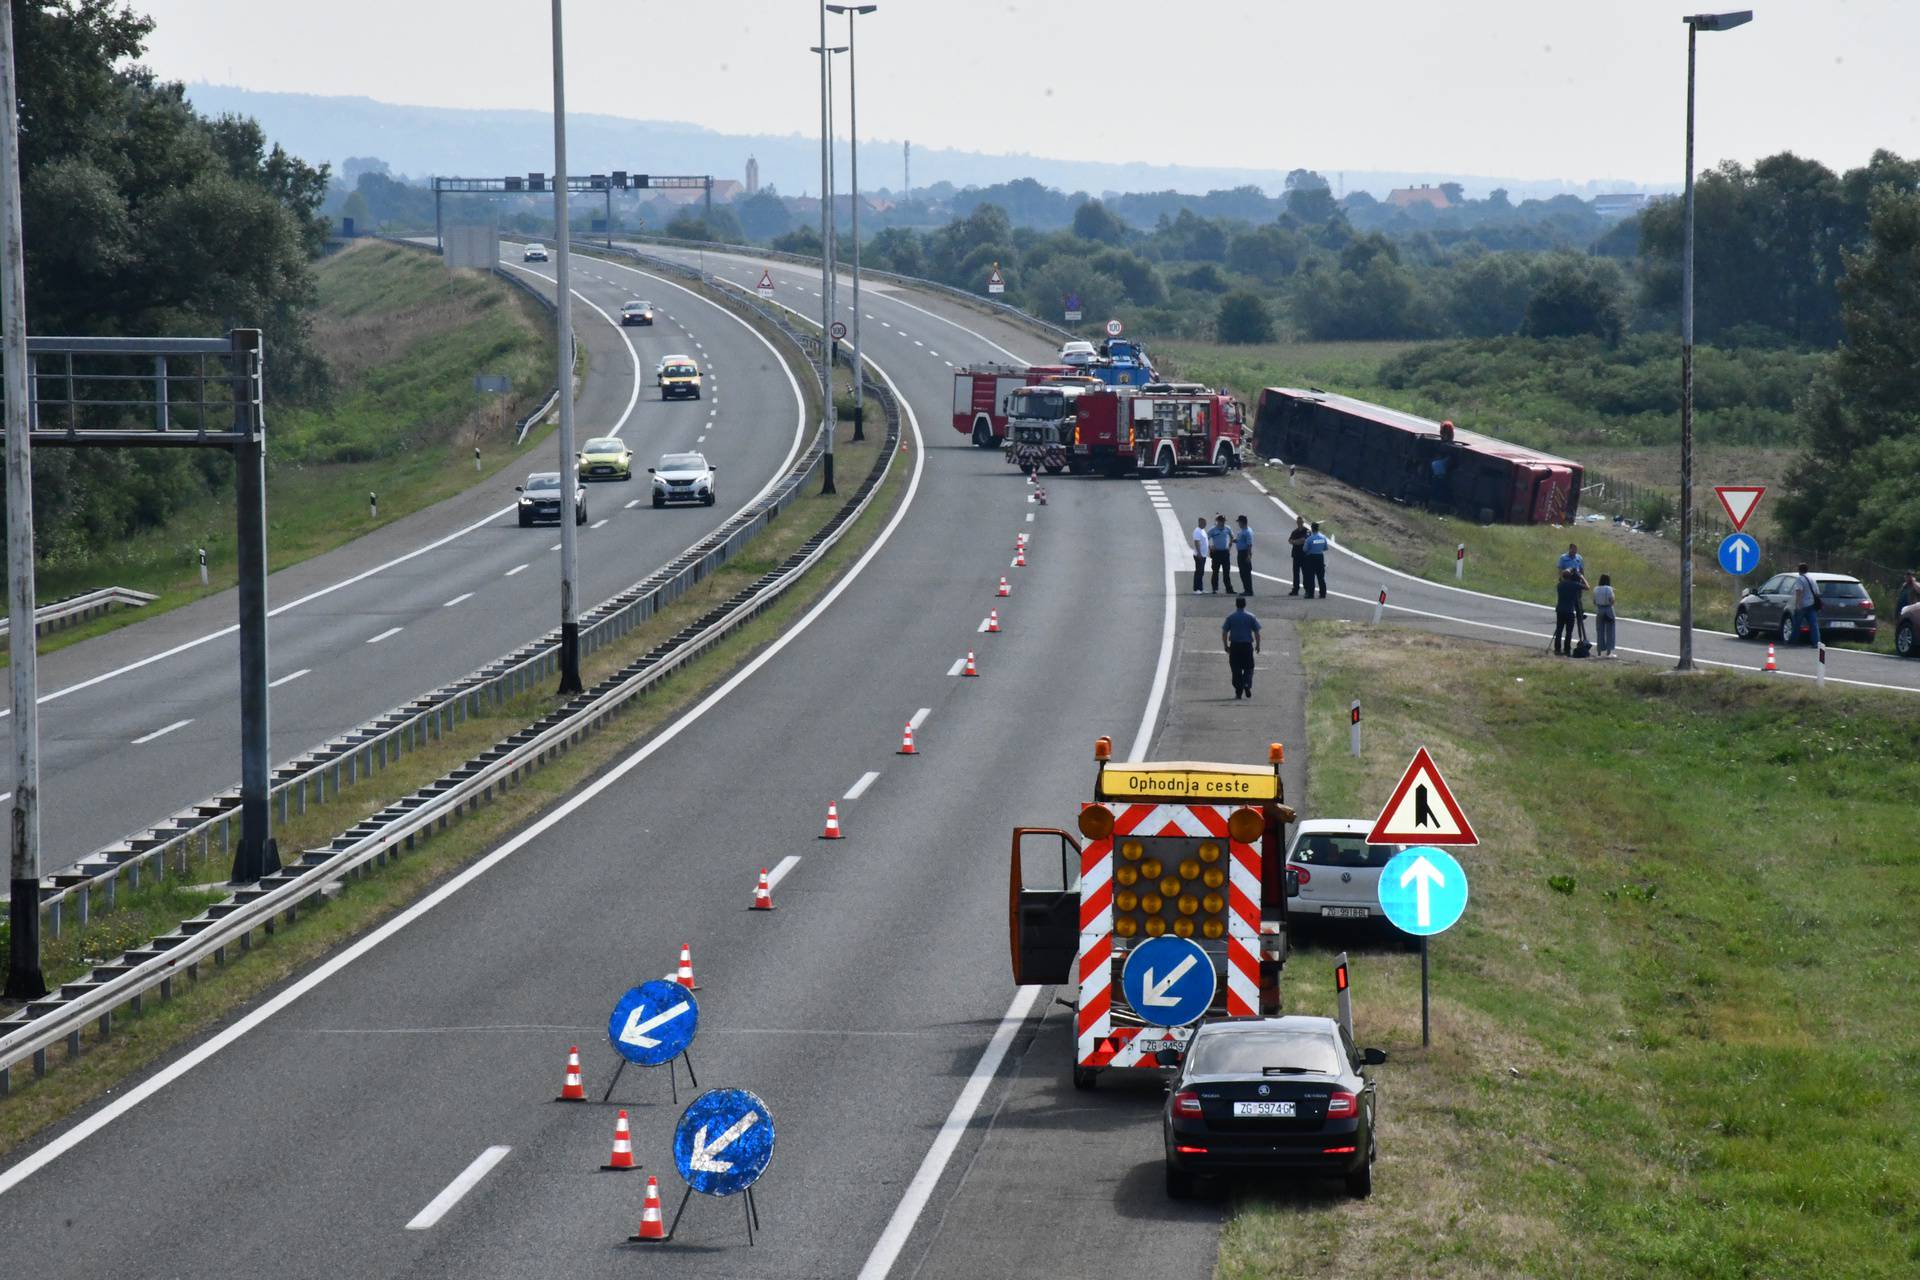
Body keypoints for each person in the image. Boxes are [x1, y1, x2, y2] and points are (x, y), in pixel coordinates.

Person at [1222, 596, 1261, 699]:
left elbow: (1225, 632)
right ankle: (1247, 684)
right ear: (1245, 604)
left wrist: (1225, 645)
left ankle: (1238, 691)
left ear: (1236, 605)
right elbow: (1257, 632)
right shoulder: (1251, 617)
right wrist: (1258, 645)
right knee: (1249, 667)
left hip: (1235, 646)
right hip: (1247, 646)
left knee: (1236, 669)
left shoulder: (1231, 617)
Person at [1791, 562, 1821, 649]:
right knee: (1814, 624)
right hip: (1812, 604)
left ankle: (1793, 641)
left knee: (1797, 623)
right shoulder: (1812, 579)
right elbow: (1817, 592)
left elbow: (1799, 591)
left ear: (1799, 570)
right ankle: (1816, 642)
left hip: (1803, 605)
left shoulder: (1800, 579)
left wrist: (1798, 604)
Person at [1552, 568, 1581, 656]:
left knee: (1559, 630)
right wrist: (1582, 577)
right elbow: (1587, 587)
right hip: (1569, 611)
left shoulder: (1559, 585)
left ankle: (1557, 648)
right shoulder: (1574, 585)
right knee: (1568, 631)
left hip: (1560, 610)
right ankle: (1567, 649)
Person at [1302, 522, 1329, 598]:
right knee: (1321, 576)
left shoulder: (1309, 539)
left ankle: (1310, 594)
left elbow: (1304, 549)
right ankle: (1323, 593)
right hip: (1320, 557)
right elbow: (1325, 548)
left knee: (1311, 576)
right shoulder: (1323, 538)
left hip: (1311, 558)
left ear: (1312, 528)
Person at [1593, 573, 1617, 658]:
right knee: (1610, 630)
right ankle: (1609, 652)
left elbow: (1594, 602)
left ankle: (1599, 652)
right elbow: (1612, 600)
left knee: (1600, 630)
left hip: (1599, 609)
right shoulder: (1609, 589)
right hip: (1608, 609)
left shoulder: (1596, 589)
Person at [1208, 514, 1233, 594]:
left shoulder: (1227, 528)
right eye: (1221, 521)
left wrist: (1229, 546)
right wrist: (1210, 547)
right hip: (1216, 553)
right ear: (1217, 521)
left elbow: (1232, 536)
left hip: (1225, 552)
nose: (1222, 523)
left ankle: (1228, 589)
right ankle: (1214, 588)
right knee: (1215, 571)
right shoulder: (1213, 530)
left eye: (1223, 521)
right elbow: (1205, 538)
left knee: (1226, 571)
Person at [1288, 515, 1309, 595]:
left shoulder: (1307, 531)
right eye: (1298, 521)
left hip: (1304, 555)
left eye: (1301, 521)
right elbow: (1290, 540)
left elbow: (1304, 540)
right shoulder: (1295, 532)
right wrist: (1297, 541)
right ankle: (1295, 589)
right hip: (1296, 555)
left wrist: (1295, 541)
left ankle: (1307, 589)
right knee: (1296, 573)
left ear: (1303, 522)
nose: (1299, 523)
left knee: (1305, 573)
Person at [1234, 515, 1255, 595]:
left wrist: (1249, 555)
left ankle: (1249, 590)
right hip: (1240, 553)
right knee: (1242, 572)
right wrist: (1235, 541)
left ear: (1242, 522)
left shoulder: (1247, 532)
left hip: (1244, 553)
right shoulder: (1241, 531)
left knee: (1246, 572)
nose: (1238, 524)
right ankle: (1246, 589)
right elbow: (1239, 540)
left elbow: (1249, 544)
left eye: (1239, 522)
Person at [1190, 517, 1209, 595]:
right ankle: (1196, 588)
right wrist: (1199, 553)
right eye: (1204, 522)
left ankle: (1200, 588)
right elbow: (1197, 542)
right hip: (1199, 555)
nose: (1205, 524)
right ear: (1200, 522)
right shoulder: (1197, 531)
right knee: (1198, 571)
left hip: (1203, 554)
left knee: (1201, 571)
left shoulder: (1202, 530)